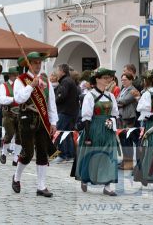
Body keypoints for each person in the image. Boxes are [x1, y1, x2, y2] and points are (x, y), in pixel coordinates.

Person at [11, 52, 58, 198]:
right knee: (28, 152)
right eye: (35, 62)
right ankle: (16, 177)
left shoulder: (45, 80)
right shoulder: (21, 80)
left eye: (39, 62)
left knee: (42, 152)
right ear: (28, 64)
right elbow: (19, 99)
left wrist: (53, 121)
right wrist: (31, 86)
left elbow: (51, 102)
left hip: (43, 119)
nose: (38, 65)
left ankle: (41, 186)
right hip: (27, 118)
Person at [71, 68, 119, 196]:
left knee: (109, 155)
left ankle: (108, 185)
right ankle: (85, 178)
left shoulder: (111, 96)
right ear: (97, 79)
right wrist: (87, 135)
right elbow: (86, 117)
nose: (108, 80)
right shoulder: (90, 95)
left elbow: (115, 114)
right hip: (94, 127)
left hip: (108, 128)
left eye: (109, 78)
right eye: (105, 78)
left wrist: (112, 122)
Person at [52, 64, 79, 163]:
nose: (56, 72)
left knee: (60, 132)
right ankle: (70, 155)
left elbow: (61, 95)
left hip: (65, 112)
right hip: (70, 112)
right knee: (67, 134)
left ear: (62, 71)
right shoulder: (68, 80)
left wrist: (53, 101)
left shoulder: (65, 81)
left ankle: (63, 155)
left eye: (58, 70)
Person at [0, 66, 21, 166]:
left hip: (20, 113)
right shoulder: (3, 86)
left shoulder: (21, 86)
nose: (16, 77)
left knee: (20, 136)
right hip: (8, 113)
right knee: (9, 134)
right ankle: (3, 153)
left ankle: (16, 158)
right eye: (15, 75)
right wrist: (13, 99)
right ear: (10, 75)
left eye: (17, 75)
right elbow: (1, 99)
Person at [117, 73, 138, 170]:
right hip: (121, 117)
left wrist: (118, 102)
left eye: (125, 80)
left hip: (129, 117)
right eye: (122, 80)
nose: (123, 82)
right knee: (123, 140)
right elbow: (119, 100)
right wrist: (118, 102)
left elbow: (124, 101)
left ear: (130, 80)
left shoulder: (133, 90)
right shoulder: (123, 89)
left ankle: (129, 162)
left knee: (127, 140)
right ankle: (125, 161)